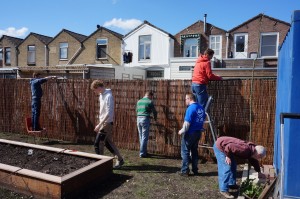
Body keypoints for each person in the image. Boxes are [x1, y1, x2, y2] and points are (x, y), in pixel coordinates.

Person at [90, 80, 124, 169]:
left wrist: (99, 124)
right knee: (108, 143)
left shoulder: (109, 96)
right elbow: (103, 111)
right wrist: (100, 122)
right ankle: (120, 159)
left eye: (95, 90)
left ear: (99, 87)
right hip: (103, 123)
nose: (94, 92)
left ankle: (100, 164)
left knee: (97, 144)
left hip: (107, 123)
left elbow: (108, 113)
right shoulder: (101, 95)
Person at [178, 93, 206, 176]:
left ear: (189, 99)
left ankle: (185, 171)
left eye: (186, 99)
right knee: (194, 151)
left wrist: (181, 131)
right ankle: (195, 170)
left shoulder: (190, 108)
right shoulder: (201, 108)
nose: (185, 101)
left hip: (190, 132)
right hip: (198, 132)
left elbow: (187, 123)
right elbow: (202, 119)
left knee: (185, 151)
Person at [136, 91, 157, 158]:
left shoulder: (139, 101)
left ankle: (143, 151)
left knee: (141, 136)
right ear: (150, 95)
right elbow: (154, 111)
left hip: (138, 118)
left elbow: (136, 110)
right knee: (145, 137)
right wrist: (155, 118)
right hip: (145, 119)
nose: (151, 98)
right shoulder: (149, 101)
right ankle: (142, 153)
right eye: (151, 97)